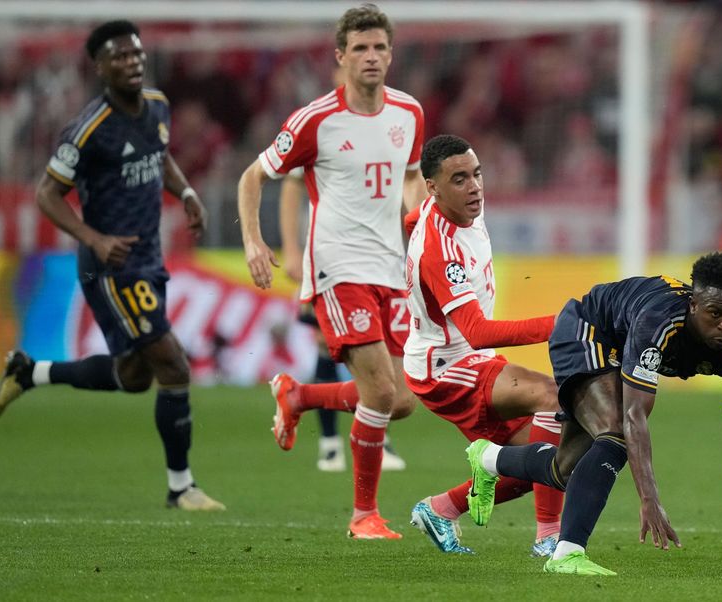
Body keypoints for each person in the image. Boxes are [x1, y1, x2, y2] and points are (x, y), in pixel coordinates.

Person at [0, 20, 224, 512]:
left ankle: (29, 373)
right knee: (173, 365)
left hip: (147, 259)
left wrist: (187, 192)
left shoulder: (157, 105)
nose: (132, 62)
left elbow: (159, 157)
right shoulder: (88, 128)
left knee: (135, 377)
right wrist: (94, 238)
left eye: (136, 53)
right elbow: (46, 194)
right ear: (100, 67)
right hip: (109, 266)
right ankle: (182, 488)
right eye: (119, 56)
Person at [237, 4, 425, 539]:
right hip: (338, 268)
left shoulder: (408, 113)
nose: (371, 57)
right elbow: (254, 177)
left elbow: (411, 177)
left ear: (391, 54)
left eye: (379, 47)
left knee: (404, 400)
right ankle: (364, 515)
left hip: (392, 268)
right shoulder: (314, 120)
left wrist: (418, 219)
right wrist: (256, 240)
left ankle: (298, 396)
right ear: (341, 57)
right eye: (360, 48)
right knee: (381, 395)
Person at [465, 251, 722, 577]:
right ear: (693, 305)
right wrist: (649, 498)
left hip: (619, 347)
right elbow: (634, 416)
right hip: (587, 329)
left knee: (563, 471)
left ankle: (489, 458)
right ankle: (567, 553)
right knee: (615, 434)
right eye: (715, 314)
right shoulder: (660, 320)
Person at [400, 134, 564, 556]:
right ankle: (550, 539)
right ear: (433, 187)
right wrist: (558, 324)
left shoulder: (459, 205)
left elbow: (409, 219)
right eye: (459, 179)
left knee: (547, 457)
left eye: (476, 174)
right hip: (447, 367)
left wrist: (409, 230)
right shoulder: (440, 250)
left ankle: (441, 509)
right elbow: (478, 331)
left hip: (468, 359)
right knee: (554, 399)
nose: (474, 186)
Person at [277, 174, 407, 473]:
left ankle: (379, 436)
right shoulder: (325, 134)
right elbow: (292, 182)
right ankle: (330, 442)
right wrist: (293, 250)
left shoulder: (387, 142)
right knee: (326, 344)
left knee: (382, 354)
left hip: (381, 264)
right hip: (330, 262)